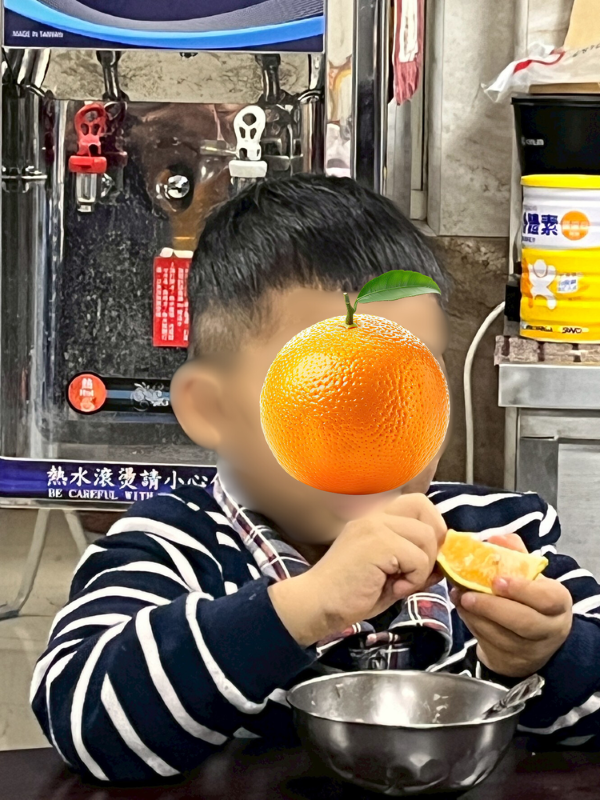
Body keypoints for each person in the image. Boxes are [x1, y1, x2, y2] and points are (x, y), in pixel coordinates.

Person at [31, 175, 600, 782]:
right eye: (326, 391)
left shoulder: (505, 530)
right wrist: (301, 609)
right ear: (213, 409)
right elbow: (84, 717)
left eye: (405, 392)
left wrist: (546, 652)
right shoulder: (171, 546)